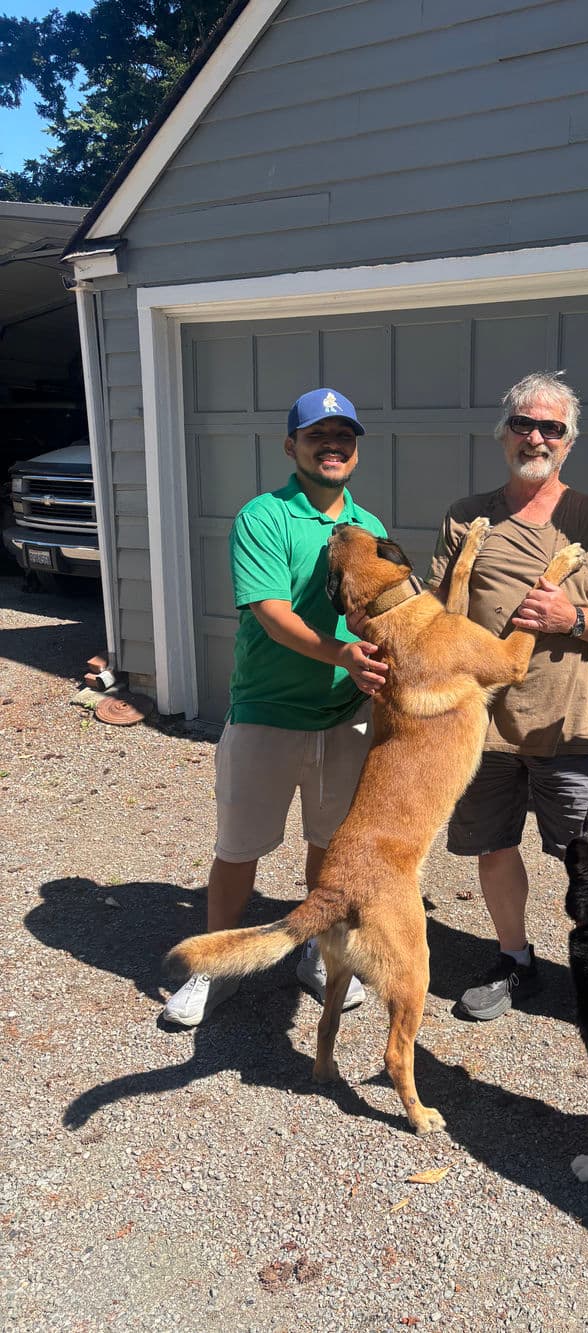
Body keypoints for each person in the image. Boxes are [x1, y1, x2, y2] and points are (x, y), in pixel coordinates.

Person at [162, 388, 389, 1026]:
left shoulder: (370, 530)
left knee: (329, 845)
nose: (332, 445)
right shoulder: (263, 517)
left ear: (355, 449)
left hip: (344, 718)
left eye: (343, 435)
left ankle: (317, 949)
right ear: (292, 446)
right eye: (318, 435)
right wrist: (344, 654)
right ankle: (212, 967)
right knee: (239, 848)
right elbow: (270, 612)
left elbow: (380, 615)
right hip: (265, 712)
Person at [427, 371, 588, 1021]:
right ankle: (515, 959)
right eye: (525, 423)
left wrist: (571, 618)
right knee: (494, 847)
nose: (537, 436)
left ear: (570, 442)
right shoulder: (466, 517)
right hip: (482, 725)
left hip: (568, 725)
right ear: (504, 433)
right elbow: (440, 611)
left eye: (553, 427)